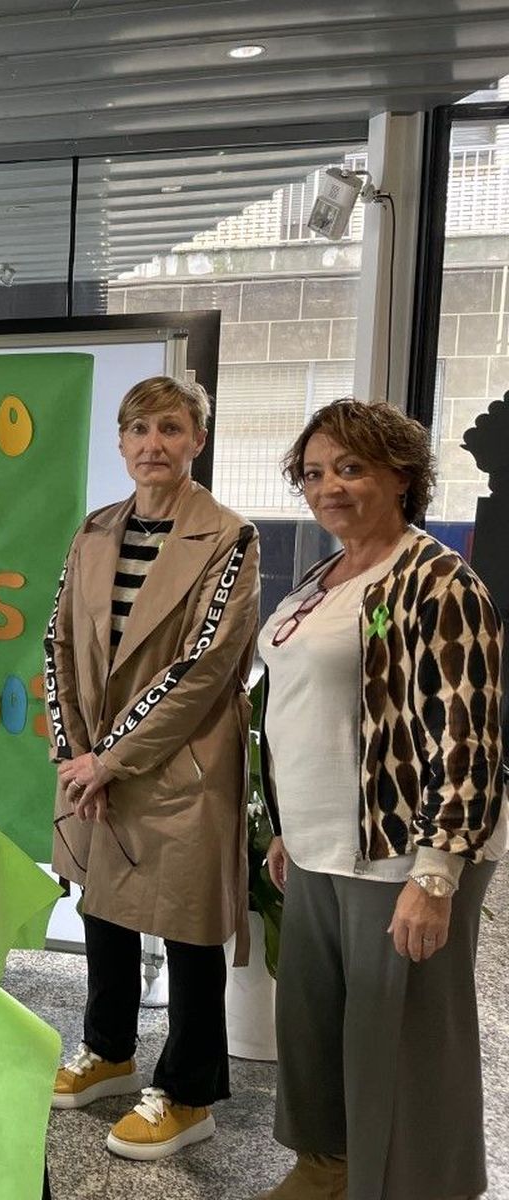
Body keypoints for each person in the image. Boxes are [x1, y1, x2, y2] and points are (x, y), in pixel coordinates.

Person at [254, 398, 504, 1200]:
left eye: (350, 468)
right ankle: (327, 1166)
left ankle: (412, 1188)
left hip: (400, 852)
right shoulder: (326, 576)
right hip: (322, 844)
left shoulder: (437, 580)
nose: (329, 487)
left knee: (400, 1044)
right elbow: (303, 711)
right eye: (315, 472)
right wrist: (290, 828)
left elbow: (468, 732)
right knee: (316, 1024)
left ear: (401, 475)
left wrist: (436, 875)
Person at [43, 375, 260, 1161]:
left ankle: (190, 1090)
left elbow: (204, 665)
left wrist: (112, 758)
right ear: (122, 442)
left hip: (182, 764)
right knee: (104, 903)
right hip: (97, 760)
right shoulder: (95, 530)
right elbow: (58, 643)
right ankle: (109, 1049)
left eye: (170, 429)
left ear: (197, 439)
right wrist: (74, 756)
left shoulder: (230, 538)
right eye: (138, 430)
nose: (152, 445)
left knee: (187, 923)